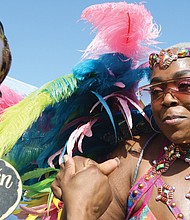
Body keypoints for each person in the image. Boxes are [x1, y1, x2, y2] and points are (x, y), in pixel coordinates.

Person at [51, 44, 190, 220]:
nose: (167, 99)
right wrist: (79, 196)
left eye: (185, 86)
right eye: (156, 91)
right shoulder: (135, 157)